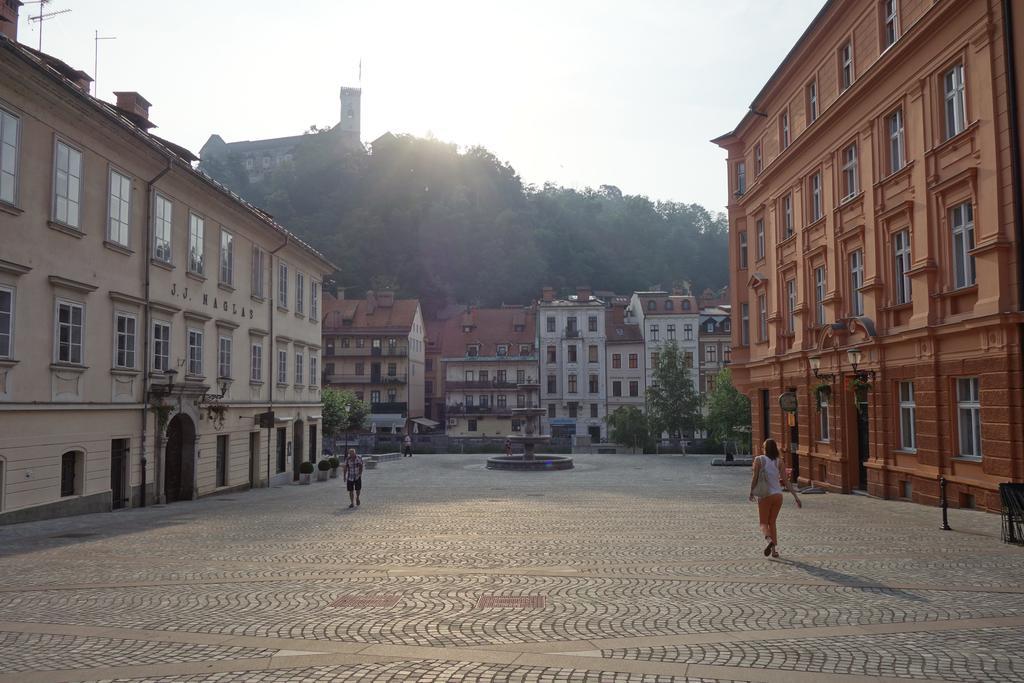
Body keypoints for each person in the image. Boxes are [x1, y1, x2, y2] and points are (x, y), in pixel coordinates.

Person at [749, 438, 801, 557]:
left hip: (765, 495)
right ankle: (774, 551)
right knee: (772, 522)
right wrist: (796, 497)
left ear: (765, 449)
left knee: (763, 523)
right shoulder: (779, 461)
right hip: (778, 496)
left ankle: (769, 541)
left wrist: (751, 491)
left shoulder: (759, 459)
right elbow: (786, 482)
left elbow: (755, 477)